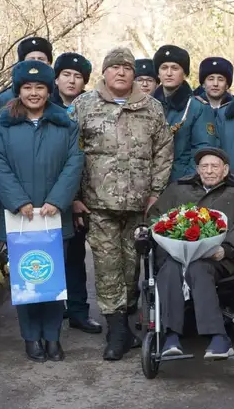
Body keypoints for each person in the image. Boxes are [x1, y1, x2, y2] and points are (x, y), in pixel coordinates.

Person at [69, 46, 174, 361]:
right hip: (97, 204)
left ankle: (126, 322)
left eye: (127, 68)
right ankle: (116, 331)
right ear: (104, 72)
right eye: (115, 67)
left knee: (132, 268)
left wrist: (156, 192)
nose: (121, 72)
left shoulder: (151, 108)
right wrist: (73, 197)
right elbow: (69, 153)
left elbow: (163, 151)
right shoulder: (82, 106)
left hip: (139, 204)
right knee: (107, 266)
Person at [0, 60, 84, 362]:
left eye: (39, 87)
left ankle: (53, 337)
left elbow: (74, 163)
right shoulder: (0, 124)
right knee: (27, 276)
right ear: (18, 91)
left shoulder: (66, 124)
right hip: (20, 216)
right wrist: (18, 201)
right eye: (27, 87)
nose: (33, 93)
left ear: (48, 89)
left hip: (55, 215)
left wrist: (58, 200)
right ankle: (31, 338)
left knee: (54, 277)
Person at [146, 147, 234, 360]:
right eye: (204, 166)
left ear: (225, 170)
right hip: (176, 255)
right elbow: (156, 217)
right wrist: (145, 228)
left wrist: (226, 249)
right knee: (169, 269)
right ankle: (171, 336)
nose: (209, 171)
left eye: (214, 166)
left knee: (199, 268)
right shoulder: (178, 190)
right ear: (197, 170)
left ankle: (218, 337)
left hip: (217, 258)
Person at [48, 52, 102, 334]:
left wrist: (79, 198)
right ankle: (51, 317)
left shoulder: (92, 108)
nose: (71, 80)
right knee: (48, 255)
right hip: (48, 195)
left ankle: (79, 311)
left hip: (82, 196)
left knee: (75, 257)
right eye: (66, 74)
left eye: (78, 76)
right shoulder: (43, 106)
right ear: (56, 78)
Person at [152, 45, 219, 182]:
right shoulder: (148, 106)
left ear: (185, 73)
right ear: (158, 73)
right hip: (147, 182)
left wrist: (185, 183)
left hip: (180, 183)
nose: (169, 73)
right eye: (164, 68)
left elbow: (203, 152)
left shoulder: (197, 108)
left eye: (175, 68)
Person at [0, 36, 54, 106]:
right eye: (31, 59)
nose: (36, 63)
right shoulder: (5, 98)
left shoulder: (57, 94)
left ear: (49, 64)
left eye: (41, 59)